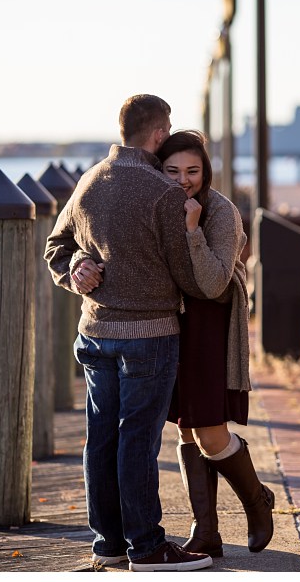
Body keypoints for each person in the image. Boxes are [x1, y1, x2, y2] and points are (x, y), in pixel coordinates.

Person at [45, 95, 213, 572]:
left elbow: (56, 245)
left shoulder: (90, 181)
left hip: (96, 333)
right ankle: (147, 545)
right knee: (137, 440)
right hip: (150, 336)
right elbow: (188, 276)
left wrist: (76, 263)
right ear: (159, 134)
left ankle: (109, 543)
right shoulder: (164, 194)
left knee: (101, 438)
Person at [158, 130, 274, 556]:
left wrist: (191, 229)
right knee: (188, 428)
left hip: (210, 325)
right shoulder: (159, 203)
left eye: (192, 170)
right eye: (172, 170)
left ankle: (257, 500)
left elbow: (210, 282)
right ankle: (205, 532)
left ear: (205, 171)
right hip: (171, 325)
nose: (182, 179)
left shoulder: (220, 213)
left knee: (210, 430)